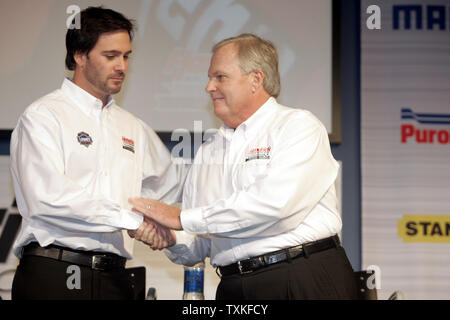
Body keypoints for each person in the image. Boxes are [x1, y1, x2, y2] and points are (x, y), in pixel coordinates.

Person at [129, 33, 358, 299]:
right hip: (233, 286)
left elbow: (276, 206)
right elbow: (199, 242)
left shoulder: (298, 126)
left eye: (220, 77)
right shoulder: (208, 151)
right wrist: (170, 238)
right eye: (209, 78)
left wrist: (180, 218)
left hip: (301, 276)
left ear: (256, 79)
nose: (209, 87)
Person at [10, 6, 183, 300]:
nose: (122, 66)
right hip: (56, 271)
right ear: (79, 55)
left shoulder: (133, 127)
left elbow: (167, 192)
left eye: (126, 56)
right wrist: (132, 222)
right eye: (110, 55)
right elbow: (49, 198)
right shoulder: (43, 116)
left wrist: (161, 223)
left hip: (115, 278)